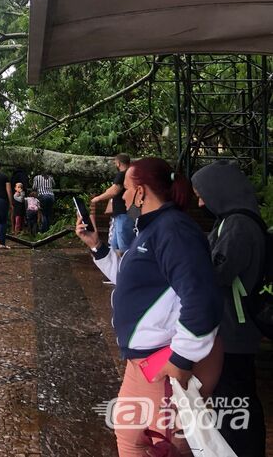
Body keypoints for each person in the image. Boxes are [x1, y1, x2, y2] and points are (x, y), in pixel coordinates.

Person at [75, 157, 224, 457]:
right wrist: (96, 246)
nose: (123, 197)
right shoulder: (151, 229)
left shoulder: (174, 231)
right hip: (141, 363)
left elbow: (201, 298)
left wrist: (181, 359)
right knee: (130, 436)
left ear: (141, 192)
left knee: (166, 445)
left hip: (163, 362)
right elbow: (132, 280)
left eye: (127, 189)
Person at [192, 161, 267, 457]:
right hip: (233, 325)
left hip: (236, 329)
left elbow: (219, 272)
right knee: (235, 396)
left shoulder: (239, 225)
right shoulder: (233, 220)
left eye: (203, 194)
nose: (200, 202)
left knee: (236, 399)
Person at [91, 153, 135, 255]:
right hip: (125, 213)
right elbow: (113, 188)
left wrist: (97, 198)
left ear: (118, 163)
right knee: (114, 245)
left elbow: (114, 191)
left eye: (115, 162)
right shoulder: (130, 174)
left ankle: (125, 267)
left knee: (124, 246)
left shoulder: (122, 174)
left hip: (123, 213)